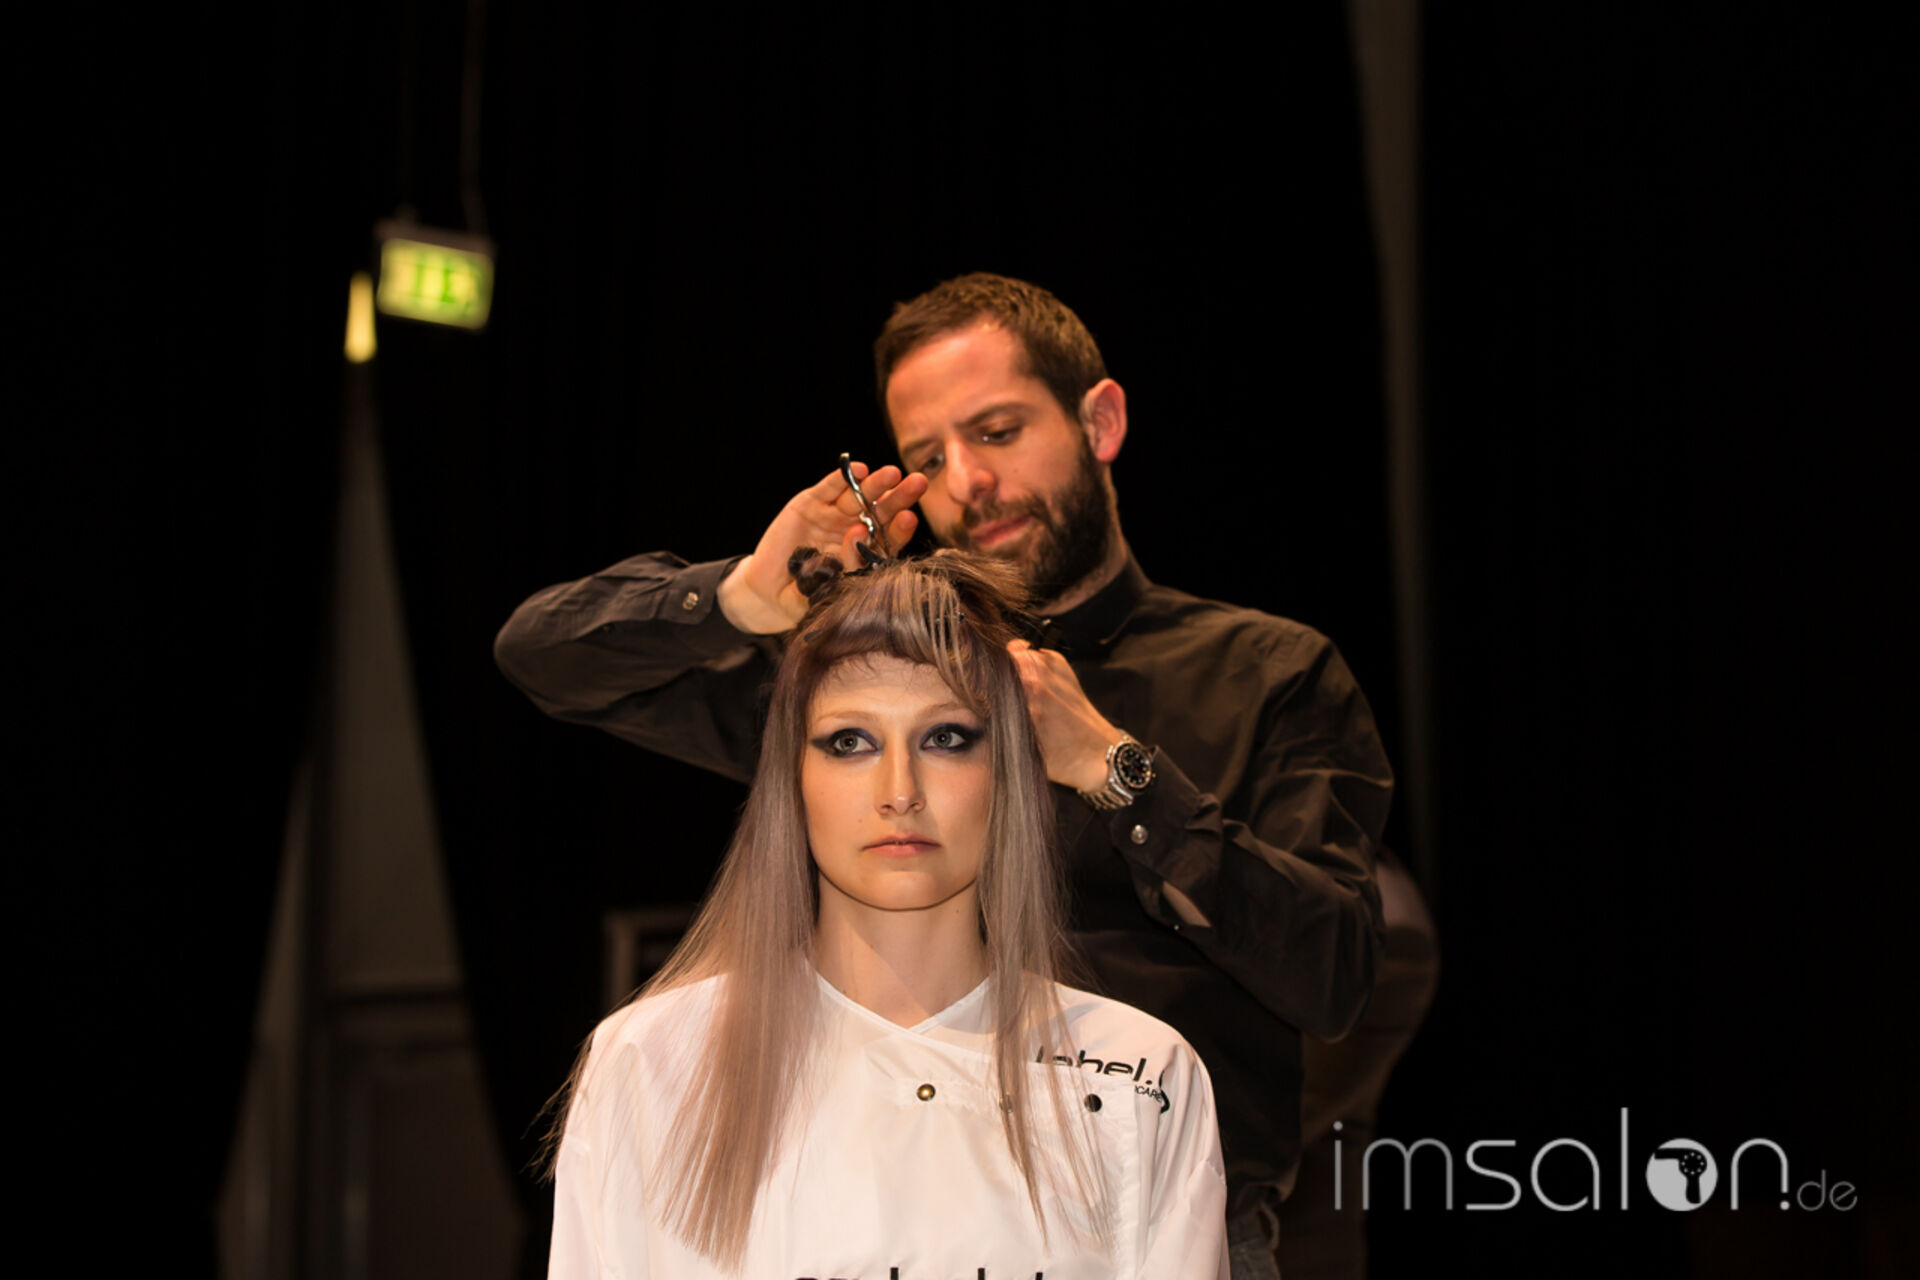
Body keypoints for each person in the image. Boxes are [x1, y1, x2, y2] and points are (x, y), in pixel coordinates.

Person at [500, 273, 1428, 1278]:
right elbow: (542, 656)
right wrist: (737, 597)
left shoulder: (1271, 673)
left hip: (1161, 1215)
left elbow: (1335, 973)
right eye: (929, 458)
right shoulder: (866, 681)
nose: (968, 483)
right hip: (873, 1210)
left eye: (997, 431)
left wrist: (1117, 772)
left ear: (1101, 420)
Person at [545, 551, 1228, 1279]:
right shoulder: (651, 1062)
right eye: (850, 743)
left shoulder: (1142, 1074)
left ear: (1009, 774)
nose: (899, 791)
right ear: (791, 779)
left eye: (946, 739)